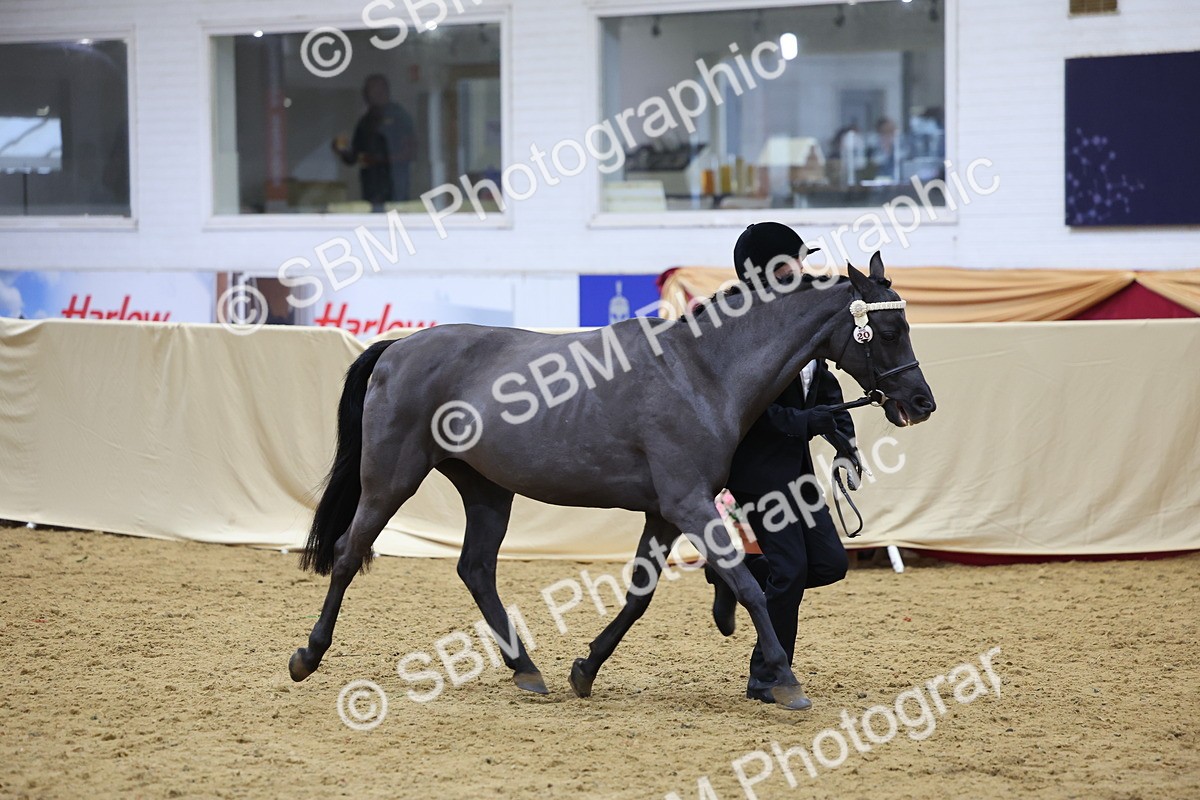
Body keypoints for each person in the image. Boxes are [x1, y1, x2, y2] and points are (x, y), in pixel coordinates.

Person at [706, 221, 859, 705]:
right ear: (771, 269)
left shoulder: (802, 322)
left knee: (830, 565)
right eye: (797, 259)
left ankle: (737, 574)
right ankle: (767, 675)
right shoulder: (743, 332)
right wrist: (804, 422)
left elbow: (825, 391)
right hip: (756, 471)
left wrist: (845, 442)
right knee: (791, 572)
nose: (805, 267)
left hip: (797, 470)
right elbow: (750, 411)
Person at [332, 74, 418, 210]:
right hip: (371, 188)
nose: (369, 94)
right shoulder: (365, 121)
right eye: (367, 91)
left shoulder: (399, 116)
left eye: (374, 90)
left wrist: (379, 160)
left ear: (385, 91)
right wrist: (342, 151)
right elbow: (354, 157)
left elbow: (410, 153)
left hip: (395, 187)